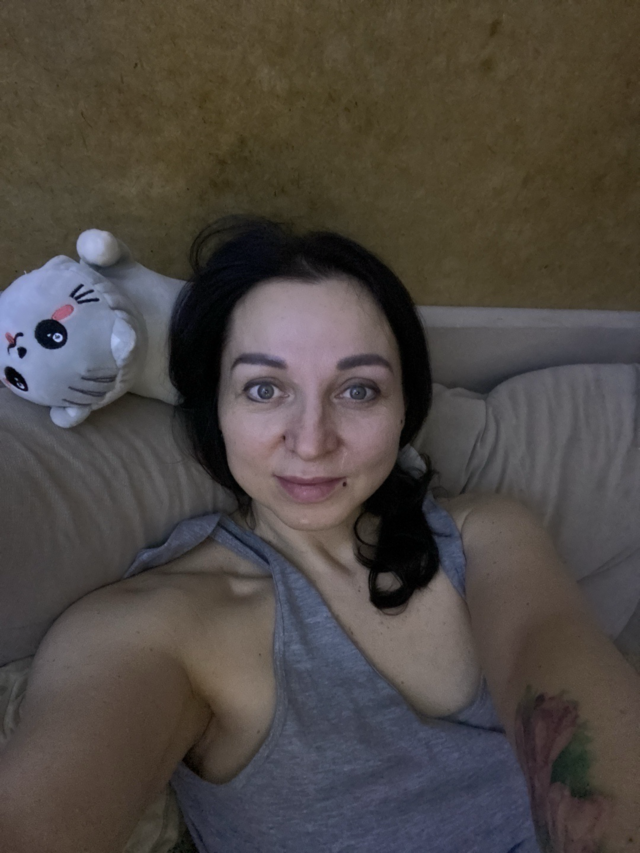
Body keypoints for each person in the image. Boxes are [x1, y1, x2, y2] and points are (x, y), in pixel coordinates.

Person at [0, 216, 639, 853]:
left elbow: (561, 673)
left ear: (404, 410)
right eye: (263, 388)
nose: (311, 442)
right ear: (215, 409)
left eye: (358, 390)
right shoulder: (151, 629)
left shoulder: (486, 535)